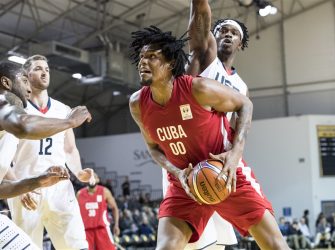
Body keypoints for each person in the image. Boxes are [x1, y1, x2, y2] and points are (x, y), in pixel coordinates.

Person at [129, 26, 289, 250]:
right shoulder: (137, 104)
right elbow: (154, 148)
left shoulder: (198, 88)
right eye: (142, 57)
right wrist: (176, 172)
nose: (143, 62)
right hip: (184, 182)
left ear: (171, 64)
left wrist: (235, 154)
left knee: (275, 246)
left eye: (152, 57)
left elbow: (245, 104)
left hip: (224, 172)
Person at [162, 1, 251, 248]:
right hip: (186, 155)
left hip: (214, 161)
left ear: (240, 44)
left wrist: (234, 156)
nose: (227, 35)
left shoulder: (241, 87)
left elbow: (235, 129)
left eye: (233, 33)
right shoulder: (204, 57)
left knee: (219, 242)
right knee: (192, 240)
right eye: (222, 30)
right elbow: (199, 27)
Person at [0, 61, 91, 249]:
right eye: (24, 80)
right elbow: (23, 126)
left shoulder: (7, 128)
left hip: (51, 191)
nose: (28, 86)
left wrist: (38, 182)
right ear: (6, 83)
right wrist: (70, 122)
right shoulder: (3, 104)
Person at [77, 173, 120, 250]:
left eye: (94, 177)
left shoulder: (104, 191)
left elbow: (115, 208)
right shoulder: (80, 194)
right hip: (86, 231)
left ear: (98, 180)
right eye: (89, 177)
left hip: (102, 229)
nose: (92, 179)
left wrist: (116, 225)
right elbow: (74, 213)